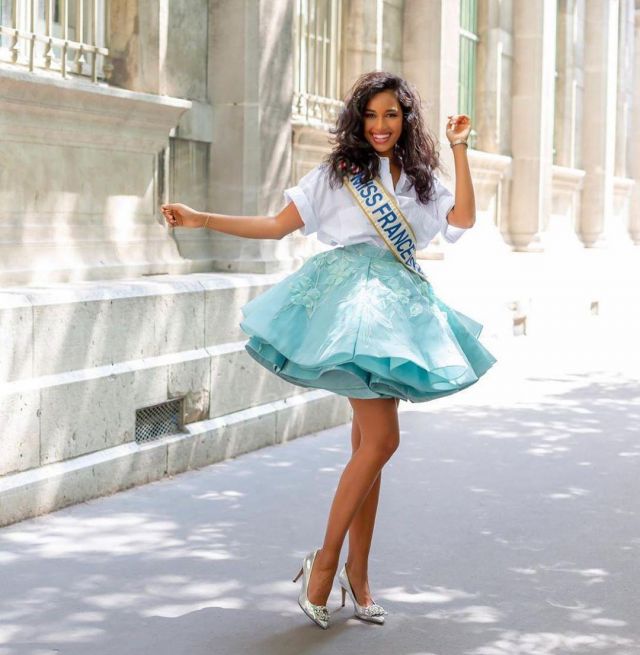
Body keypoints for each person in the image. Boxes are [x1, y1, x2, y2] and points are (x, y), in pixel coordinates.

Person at [161, 71, 497, 630]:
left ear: (406, 120)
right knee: (382, 440)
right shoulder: (339, 174)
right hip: (350, 310)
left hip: (399, 310)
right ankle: (324, 563)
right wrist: (203, 218)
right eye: (371, 115)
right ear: (357, 120)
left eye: (391, 115)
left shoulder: (418, 179)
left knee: (370, 448)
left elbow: (462, 218)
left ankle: (358, 578)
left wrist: (460, 149)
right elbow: (275, 226)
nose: (380, 126)